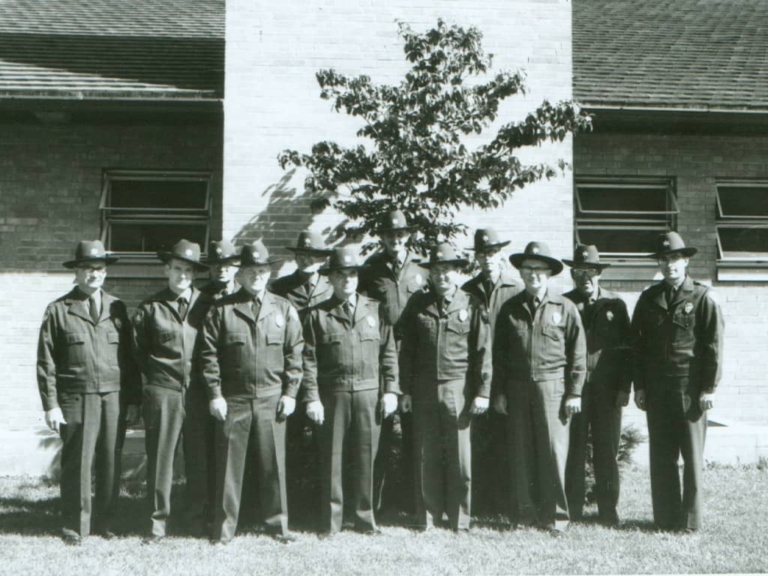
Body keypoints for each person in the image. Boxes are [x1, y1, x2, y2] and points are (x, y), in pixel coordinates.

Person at [199, 240, 303, 544]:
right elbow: (208, 355)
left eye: (261, 270)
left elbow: (295, 353)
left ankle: (278, 526)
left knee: (274, 466)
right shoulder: (223, 309)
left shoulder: (283, 308)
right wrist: (214, 394)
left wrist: (291, 393)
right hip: (235, 398)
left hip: (273, 397)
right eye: (249, 271)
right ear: (239, 275)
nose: (256, 275)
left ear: (268, 273)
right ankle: (224, 529)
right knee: (229, 467)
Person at [36, 240, 139, 545]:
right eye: (88, 268)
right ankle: (74, 525)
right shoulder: (59, 310)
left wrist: (132, 399)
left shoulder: (118, 308)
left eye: (99, 268)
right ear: (77, 273)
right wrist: (51, 405)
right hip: (76, 397)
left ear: (105, 272)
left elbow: (130, 360)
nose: (94, 274)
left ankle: (106, 521)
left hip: (113, 397)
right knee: (77, 463)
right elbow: (46, 361)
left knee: (110, 460)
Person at [302, 246, 400, 536]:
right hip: (334, 393)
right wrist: (311, 397)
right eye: (340, 274)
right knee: (331, 458)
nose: (347, 279)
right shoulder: (317, 315)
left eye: (352, 274)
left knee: (367, 457)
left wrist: (391, 390)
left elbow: (388, 353)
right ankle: (330, 522)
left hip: (370, 393)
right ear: (330, 279)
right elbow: (307, 360)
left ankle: (365, 518)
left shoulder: (375, 309)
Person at [631, 232, 724, 532]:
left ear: (685, 261)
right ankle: (666, 518)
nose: (669, 265)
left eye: (675, 259)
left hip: (689, 388)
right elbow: (638, 348)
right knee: (662, 456)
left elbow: (713, 345)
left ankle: (690, 521)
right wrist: (640, 386)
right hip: (658, 389)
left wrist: (709, 388)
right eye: (664, 259)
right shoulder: (648, 299)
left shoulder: (702, 296)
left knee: (692, 457)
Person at [493, 241, 586, 535]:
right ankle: (524, 514)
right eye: (528, 269)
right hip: (518, 388)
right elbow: (499, 356)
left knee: (552, 452)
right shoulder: (510, 308)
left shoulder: (565, 308)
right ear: (521, 273)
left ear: (550, 274)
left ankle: (556, 516)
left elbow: (578, 353)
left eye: (540, 270)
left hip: (553, 388)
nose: (534, 275)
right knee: (520, 452)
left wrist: (574, 391)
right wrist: (500, 392)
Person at [399, 243, 492, 531]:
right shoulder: (418, 304)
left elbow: (482, 351)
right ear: (430, 273)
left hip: (458, 388)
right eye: (436, 270)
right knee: (426, 454)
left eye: (447, 270)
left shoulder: (471, 303)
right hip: (425, 388)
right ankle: (427, 517)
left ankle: (460, 518)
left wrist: (483, 391)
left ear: (457, 272)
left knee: (459, 457)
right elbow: (407, 352)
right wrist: (405, 391)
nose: (442, 276)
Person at [132, 239, 211, 543]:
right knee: (161, 460)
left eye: (188, 270)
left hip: (198, 394)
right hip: (163, 392)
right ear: (167, 269)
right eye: (178, 268)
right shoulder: (151, 307)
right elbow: (138, 352)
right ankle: (157, 523)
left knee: (198, 459)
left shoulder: (207, 306)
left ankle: (194, 519)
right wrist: (158, 378)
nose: (182, 275)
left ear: (194, 274)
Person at [357, 210, 427, 514]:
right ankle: (375, 506)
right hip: (380, 357)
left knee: (416, 435)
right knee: (379, 435)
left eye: (400, 235)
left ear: (408, 236)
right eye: (389, 235)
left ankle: (415, 505)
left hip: (414, 358)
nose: (394, 240)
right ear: (382, 238)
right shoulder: (370, 271)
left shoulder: (422, 269)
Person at [562, 245, 632, 526]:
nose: (586, 278)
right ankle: (573, 509)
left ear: (599, 274)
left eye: (591, 272)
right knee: (574, 450)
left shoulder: (616, 305)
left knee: (607, 451)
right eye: (580, 272)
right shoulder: (564, 305)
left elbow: (627, 351)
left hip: (607, 391)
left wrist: (624, 388)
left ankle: (608, 511)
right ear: (573, 274)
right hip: (575, 392)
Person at [461, 228, 520, 517]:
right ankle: (479, 505)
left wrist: (505, 386)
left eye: (492, 253)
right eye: (482, 254)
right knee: (478, 441)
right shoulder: (467, 291)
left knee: (506, 441)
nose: (487, 259)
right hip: (474, 377)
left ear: (501, 256)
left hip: (506, 376)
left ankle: (504, 505)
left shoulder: (515, 289)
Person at [270, 230, 333, 320]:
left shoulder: (332, 286)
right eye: (301, 255)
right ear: (295, 258)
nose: (305, 261)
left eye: (311, 255)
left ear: (322, 260)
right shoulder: (279, 287)